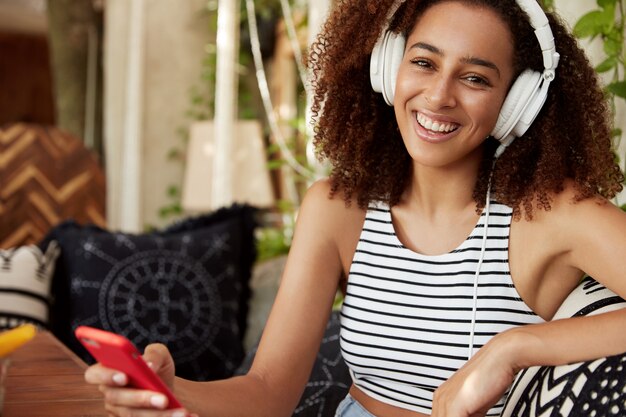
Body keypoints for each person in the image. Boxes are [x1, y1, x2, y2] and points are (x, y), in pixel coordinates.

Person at [84, 0, 626, 416]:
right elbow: (269, 393)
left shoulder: (553, 216)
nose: (439, 96)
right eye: (423, 62)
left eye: (476, 77)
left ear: (517, 102)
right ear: (389, 66)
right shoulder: (336, 209)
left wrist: (516, 346)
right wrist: (172, 391)